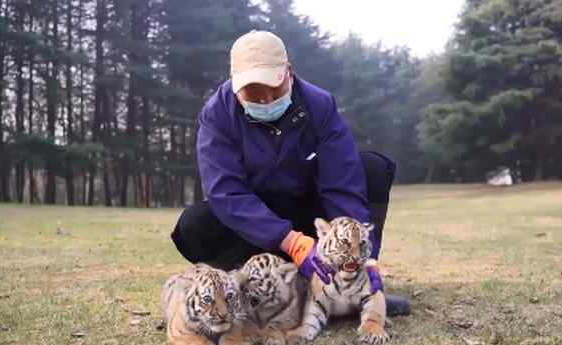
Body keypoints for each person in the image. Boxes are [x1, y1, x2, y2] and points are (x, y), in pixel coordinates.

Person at [170, 30, 409, 316]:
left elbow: (342, 184)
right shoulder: (216, 115)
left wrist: (354, 255)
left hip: (312, 218)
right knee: (194, 224)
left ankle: (353, 289)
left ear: (289, 72)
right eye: (254, 93)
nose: (266, 99)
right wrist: (289, 240)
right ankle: (254, 291)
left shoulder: (320, 105)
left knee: (372, 168)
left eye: (275, 88)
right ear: (235, 85)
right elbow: (226, 192)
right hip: (255, 228)